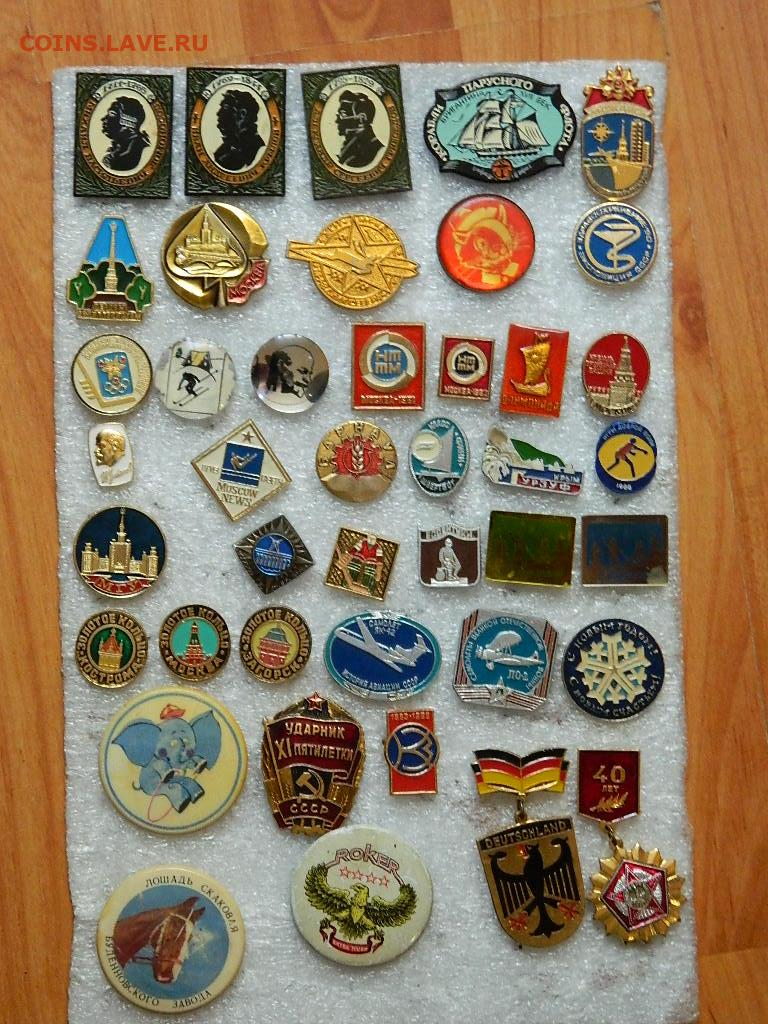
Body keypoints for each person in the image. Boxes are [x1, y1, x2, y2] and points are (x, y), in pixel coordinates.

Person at [214, 89, 264, 171]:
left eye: (225, 108)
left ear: (242, 114)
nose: (218, 113)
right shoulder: (223, 150)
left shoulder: (258, 150)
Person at [100, 96, 150, 172]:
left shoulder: (128, 156)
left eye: (112, 114)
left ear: (128, 122)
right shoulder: (119, 150)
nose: (104, 119)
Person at [335, 90, 383, 168]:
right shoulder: (348, 149)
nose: (337, 120)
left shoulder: (371, 152)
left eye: (343, 115)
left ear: (361, 119)